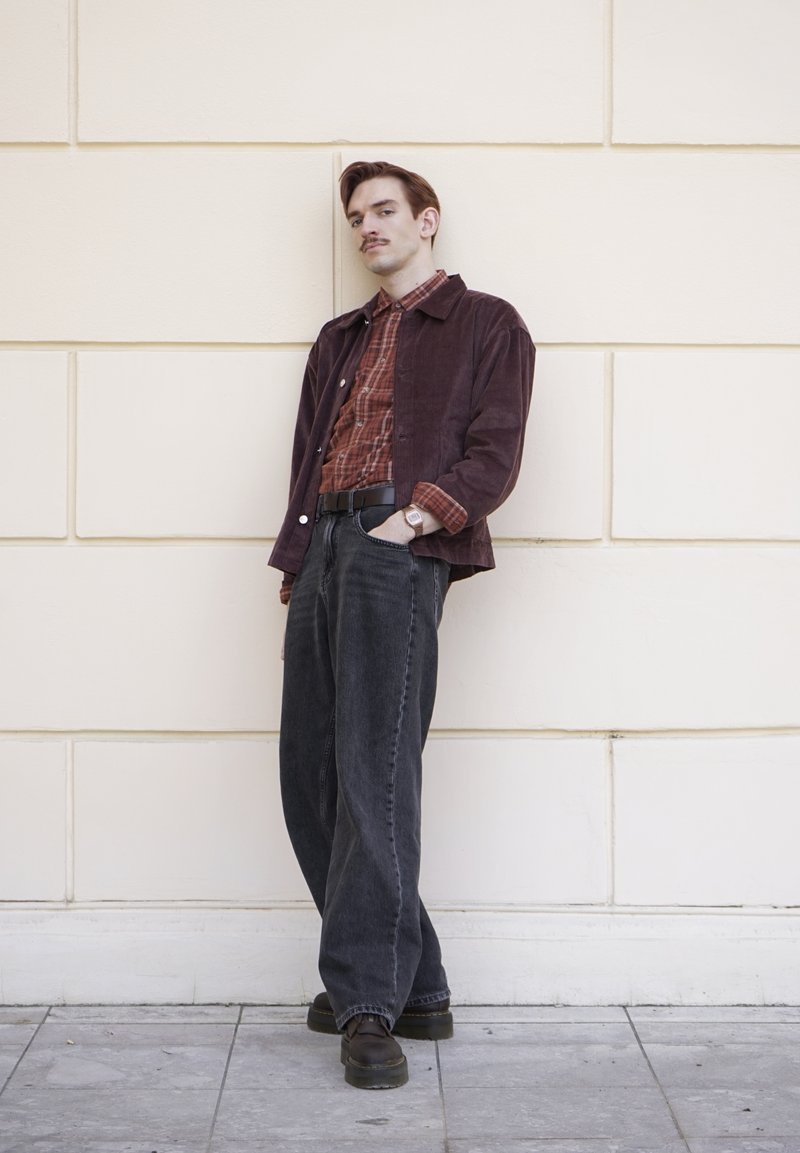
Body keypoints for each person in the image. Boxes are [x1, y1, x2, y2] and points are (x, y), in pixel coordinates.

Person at [269, 160, 535, 1089]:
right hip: (325, 550)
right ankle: (416, 985)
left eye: (384, 211)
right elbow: (307, 459)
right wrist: (300, 565)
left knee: (375, 773)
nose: (367, 227)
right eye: (356, 217)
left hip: (398, 543)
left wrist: (412, 520)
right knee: (310, 771)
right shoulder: (337, 339)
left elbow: (494, 452)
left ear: (427, 220)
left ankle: (366, 1003)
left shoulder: (486, 323)